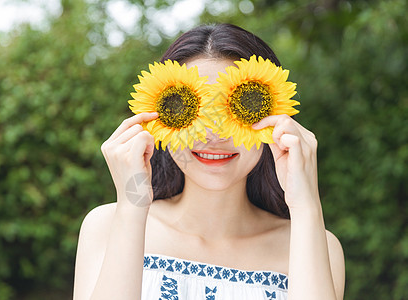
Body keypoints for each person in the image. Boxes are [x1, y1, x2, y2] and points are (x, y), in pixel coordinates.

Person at [73, 23, 345, 300]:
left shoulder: (315, 244)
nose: (214, 134)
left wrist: (305, 204)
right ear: (159, 119)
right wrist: (132, 205)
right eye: (193, 110)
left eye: (239, 109)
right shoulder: (107, 226)